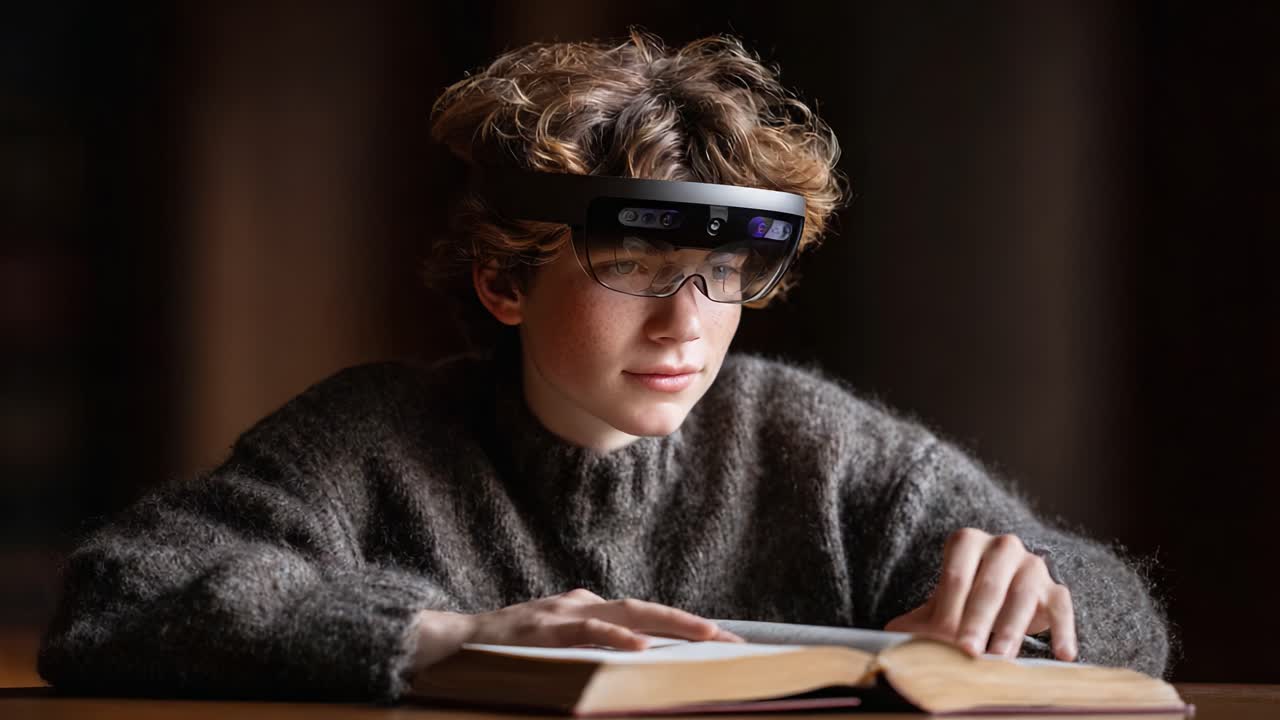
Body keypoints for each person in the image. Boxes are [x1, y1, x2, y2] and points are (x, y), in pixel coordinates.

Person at [38, 29, 1174, 704]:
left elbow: (1126, 619)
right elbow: (114, 600)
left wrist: (1038, 592)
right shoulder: (372, 442)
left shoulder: (821, 446)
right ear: (502, 282)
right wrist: (445, 636)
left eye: (725, 274)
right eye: (634, 265)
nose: (690, 323)